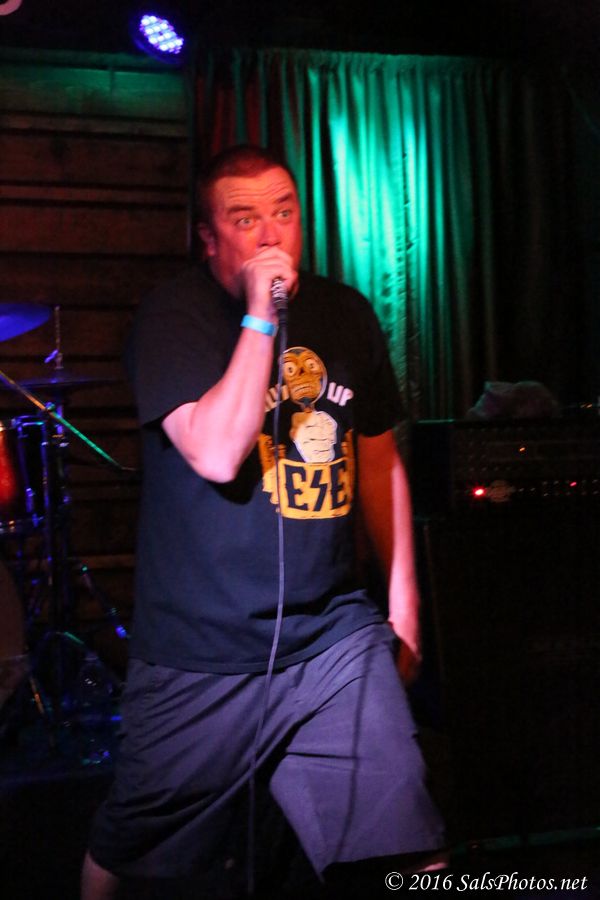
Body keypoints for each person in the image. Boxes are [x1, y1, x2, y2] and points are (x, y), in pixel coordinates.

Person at [81, 144, 445, 899]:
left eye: (284, 212)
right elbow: (217, 454)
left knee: (413, 847)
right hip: (202, 653)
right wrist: (258, 316)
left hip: (333, 639)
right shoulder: (173, 316)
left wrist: (404, 601)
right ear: (208, 238)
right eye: (245, 219)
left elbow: (379, 457)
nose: (271, 233)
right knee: (129, 851)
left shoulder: (345, 312)